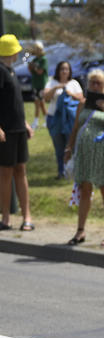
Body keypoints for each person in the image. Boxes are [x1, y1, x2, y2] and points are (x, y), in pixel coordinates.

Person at [64, 69, 104, 247]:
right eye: (92, 83)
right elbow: (75, 127)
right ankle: (80, 230)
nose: (95, 86)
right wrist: (69, 147)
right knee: (85, 189)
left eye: (99, 83)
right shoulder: (82, 103)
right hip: (85, 153)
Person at [0, 34, 34, 232]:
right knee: (5, 173)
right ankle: (5, 217)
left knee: (21, 171)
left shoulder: (10, 71)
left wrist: (25, 123)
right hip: (6, 131)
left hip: (19, 128)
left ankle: (26, 216)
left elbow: (14, 104)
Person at [42, 60, 83, 179]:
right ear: (58, 71)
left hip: (70, 118)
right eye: (62, 69)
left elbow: (81, 99)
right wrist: (56, 88)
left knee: (70, 145)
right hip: (55, 119)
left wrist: (70, 93)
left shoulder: (74, 83)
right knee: (59, 147)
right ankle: (61, 172)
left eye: (67, 69)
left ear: (70, 71)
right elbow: (46, 97)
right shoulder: (52, 82)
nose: (64, 71)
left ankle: (72, 171)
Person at [28, 42, 47, 129]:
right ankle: (46, 120)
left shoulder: (43, 59)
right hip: (35, 84)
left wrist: (34, 67)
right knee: (40, 103)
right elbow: (31, 72)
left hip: (41, 84)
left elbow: (40, 71)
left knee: (39, 102)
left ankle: (36, 122)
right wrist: (30, 66)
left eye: (38, 49)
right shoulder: (35, 59)